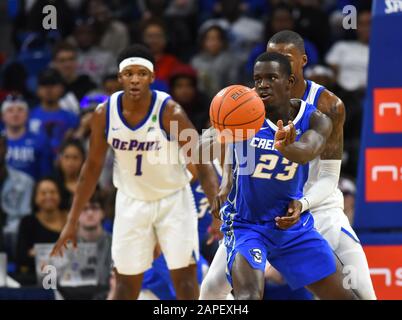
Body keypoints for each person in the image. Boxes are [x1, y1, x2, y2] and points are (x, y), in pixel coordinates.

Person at [200, 30, 376, 300]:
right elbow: (219, 146)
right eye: (259, 76)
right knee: (212, 291)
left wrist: (290, 158)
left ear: (299, 64)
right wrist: (227, 179)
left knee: (361, 291)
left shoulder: (326, 108)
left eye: (282, 60)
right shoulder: (244, 106)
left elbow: (327, 175)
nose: (264, 83)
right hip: (252, 216)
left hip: (313, 205)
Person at [51, 44, 219, 300]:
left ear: (152, 78)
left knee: (185, 278)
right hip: (131, 201)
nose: (135, 79)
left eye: (141, 73)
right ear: (120, 78)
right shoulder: (103, 114)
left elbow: (202, 163)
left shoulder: (170, 112)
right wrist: (71, 223)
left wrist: (217, 212)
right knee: (125, 283)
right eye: (129, 73)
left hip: (173, 200)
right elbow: (92, 168)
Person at [15, 177, 66, 285]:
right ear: (35, 197)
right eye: (43, 193)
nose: (48, 196)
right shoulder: (27, 222)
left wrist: (38, 253)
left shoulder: (71, 220)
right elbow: (21, 257)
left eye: (53, 192)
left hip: (68, 277)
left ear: (60, 195)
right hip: (35, 279)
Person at [2, 95, 52, 180]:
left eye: (20, 110)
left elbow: (45, 175)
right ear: (3, 116)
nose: (15, 114)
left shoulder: (40, 141)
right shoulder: (1, 142)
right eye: (10, 110)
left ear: (27, 114)